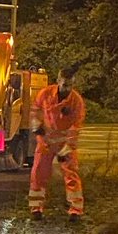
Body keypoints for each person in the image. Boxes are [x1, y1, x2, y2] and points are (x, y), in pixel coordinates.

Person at [28, 66, 86, 223]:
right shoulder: (45, 94)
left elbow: (76, 126)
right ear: (59, 81)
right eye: (65, 84)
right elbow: (35, 110)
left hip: (63, 144)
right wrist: (36, 125)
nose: (67, 88)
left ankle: (75, 211)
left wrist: (67, 148)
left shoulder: (76, 101)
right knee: (38, 174)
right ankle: (36, 208)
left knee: (71, 175)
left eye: (70, 85)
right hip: (45, 141)